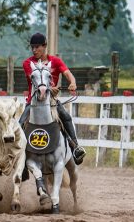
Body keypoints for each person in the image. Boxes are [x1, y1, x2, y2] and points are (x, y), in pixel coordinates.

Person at [20, 33, 86, 175]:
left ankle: (75, 147)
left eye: (37, 47)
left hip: (51, 102)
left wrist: (73, 82)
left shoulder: (56, 61)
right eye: (32, 47)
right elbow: (36, 81)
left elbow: (68, 74)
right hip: (33, 102)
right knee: (19, 124)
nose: (34, 50)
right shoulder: (28, 63)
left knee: (66, 117)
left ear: (44, 46)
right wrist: (50, 88)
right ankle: (18, 159)